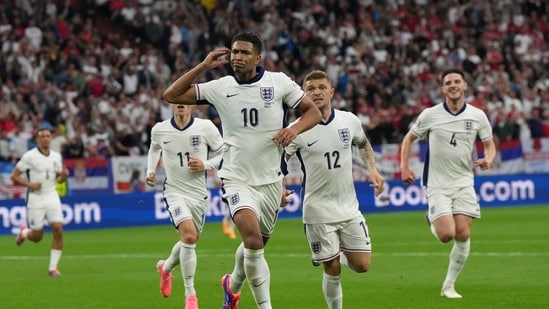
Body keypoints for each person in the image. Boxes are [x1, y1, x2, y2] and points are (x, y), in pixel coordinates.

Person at [162, 31, 322, 309]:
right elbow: (171, 94)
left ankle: (232, 285)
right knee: (252, 240)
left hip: (271, 179)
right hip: (236, 178)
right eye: (234, 52)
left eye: (244, 52)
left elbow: (313, 113)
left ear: (258, 58)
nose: (237, 57)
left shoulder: (279, 82)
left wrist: (293, 129)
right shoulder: (220, 86)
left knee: (256, 243)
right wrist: (203, 66)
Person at [284, 70, 385, 309]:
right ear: (303, 94)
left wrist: (373, 169)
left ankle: (331, 252)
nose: (316, 92)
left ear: (331, 91)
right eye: (310, 89)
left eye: (321, 87)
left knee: (362, 265)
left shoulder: (349, 120)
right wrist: (279, 186)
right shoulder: (296, 129)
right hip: (317, 210)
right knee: (332, 268)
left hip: (348, 207)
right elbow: (279, 161)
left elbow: (363, 143)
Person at [400, 68, 496, 299]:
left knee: (462, 234)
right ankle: (431, 218)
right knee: (446, 235)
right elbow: (409, 138)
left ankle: (448, 286)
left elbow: (489, 144)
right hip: (437, 184)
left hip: (464, 182)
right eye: (448, 82)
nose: (452, 85)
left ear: (464, 86)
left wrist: (489, 159)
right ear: (442, 89)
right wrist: (404, 166)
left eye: (457, 81)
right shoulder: (430, 115)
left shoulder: (477, 116)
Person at [146, 103, 224, 309]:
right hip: (174, 191)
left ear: (190, 103)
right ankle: (191, 295)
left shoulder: (205, 127)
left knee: (189, 240)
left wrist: (206, 165)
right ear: (171, 104)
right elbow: (154, 149)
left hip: (198, 195)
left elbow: (226, 152)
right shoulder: (160, 129)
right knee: (189, 236)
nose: (180, 103)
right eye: (175, 99)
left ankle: (166, 268)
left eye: (184, 98)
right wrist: (150, 170)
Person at [11, 128, 70, 276]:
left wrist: (64, 176)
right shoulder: (29, 156)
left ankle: (53, 268)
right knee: (37, 237)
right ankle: (25, 232)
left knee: (58, 228)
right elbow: (14, 176)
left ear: (51, 138)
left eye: (48, 136)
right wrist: (30, 185)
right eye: (42, 136)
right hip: (35, 198)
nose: (45, 139)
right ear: (37, 140)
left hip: (51, 196)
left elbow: (58, 179)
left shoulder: (56, 156)